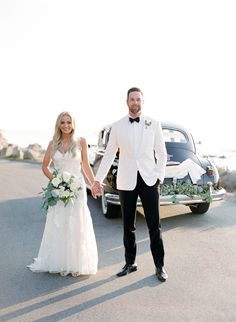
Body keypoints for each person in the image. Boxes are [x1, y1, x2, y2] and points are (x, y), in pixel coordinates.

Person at [92, 87, 168, 282]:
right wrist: (97, 180)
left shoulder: (154, 124)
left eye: (138, 99)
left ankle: (159, 266)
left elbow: (161, 152)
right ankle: (130, 263)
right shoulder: (117, 126)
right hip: (126, 181)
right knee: (128, 225)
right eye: (132, 99)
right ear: (127, 102)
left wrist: (159, 175)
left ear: (143, 101)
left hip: (149, 180)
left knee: (154, 225)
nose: (135, 102)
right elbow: (109, 154)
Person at [28, 111, 98, 277]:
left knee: (77, 222)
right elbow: (45, 166)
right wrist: (56, 180)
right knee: (59, 221)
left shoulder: (81, 141)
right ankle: (59, 261)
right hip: (59, 188)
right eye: (63, 122)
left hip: (78, 188)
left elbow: (85, 166)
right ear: (58, 125)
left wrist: (94, 183)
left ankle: (77, 262)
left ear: (73, 124)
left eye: (69, 122)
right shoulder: (53, 143)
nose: (66, 125)